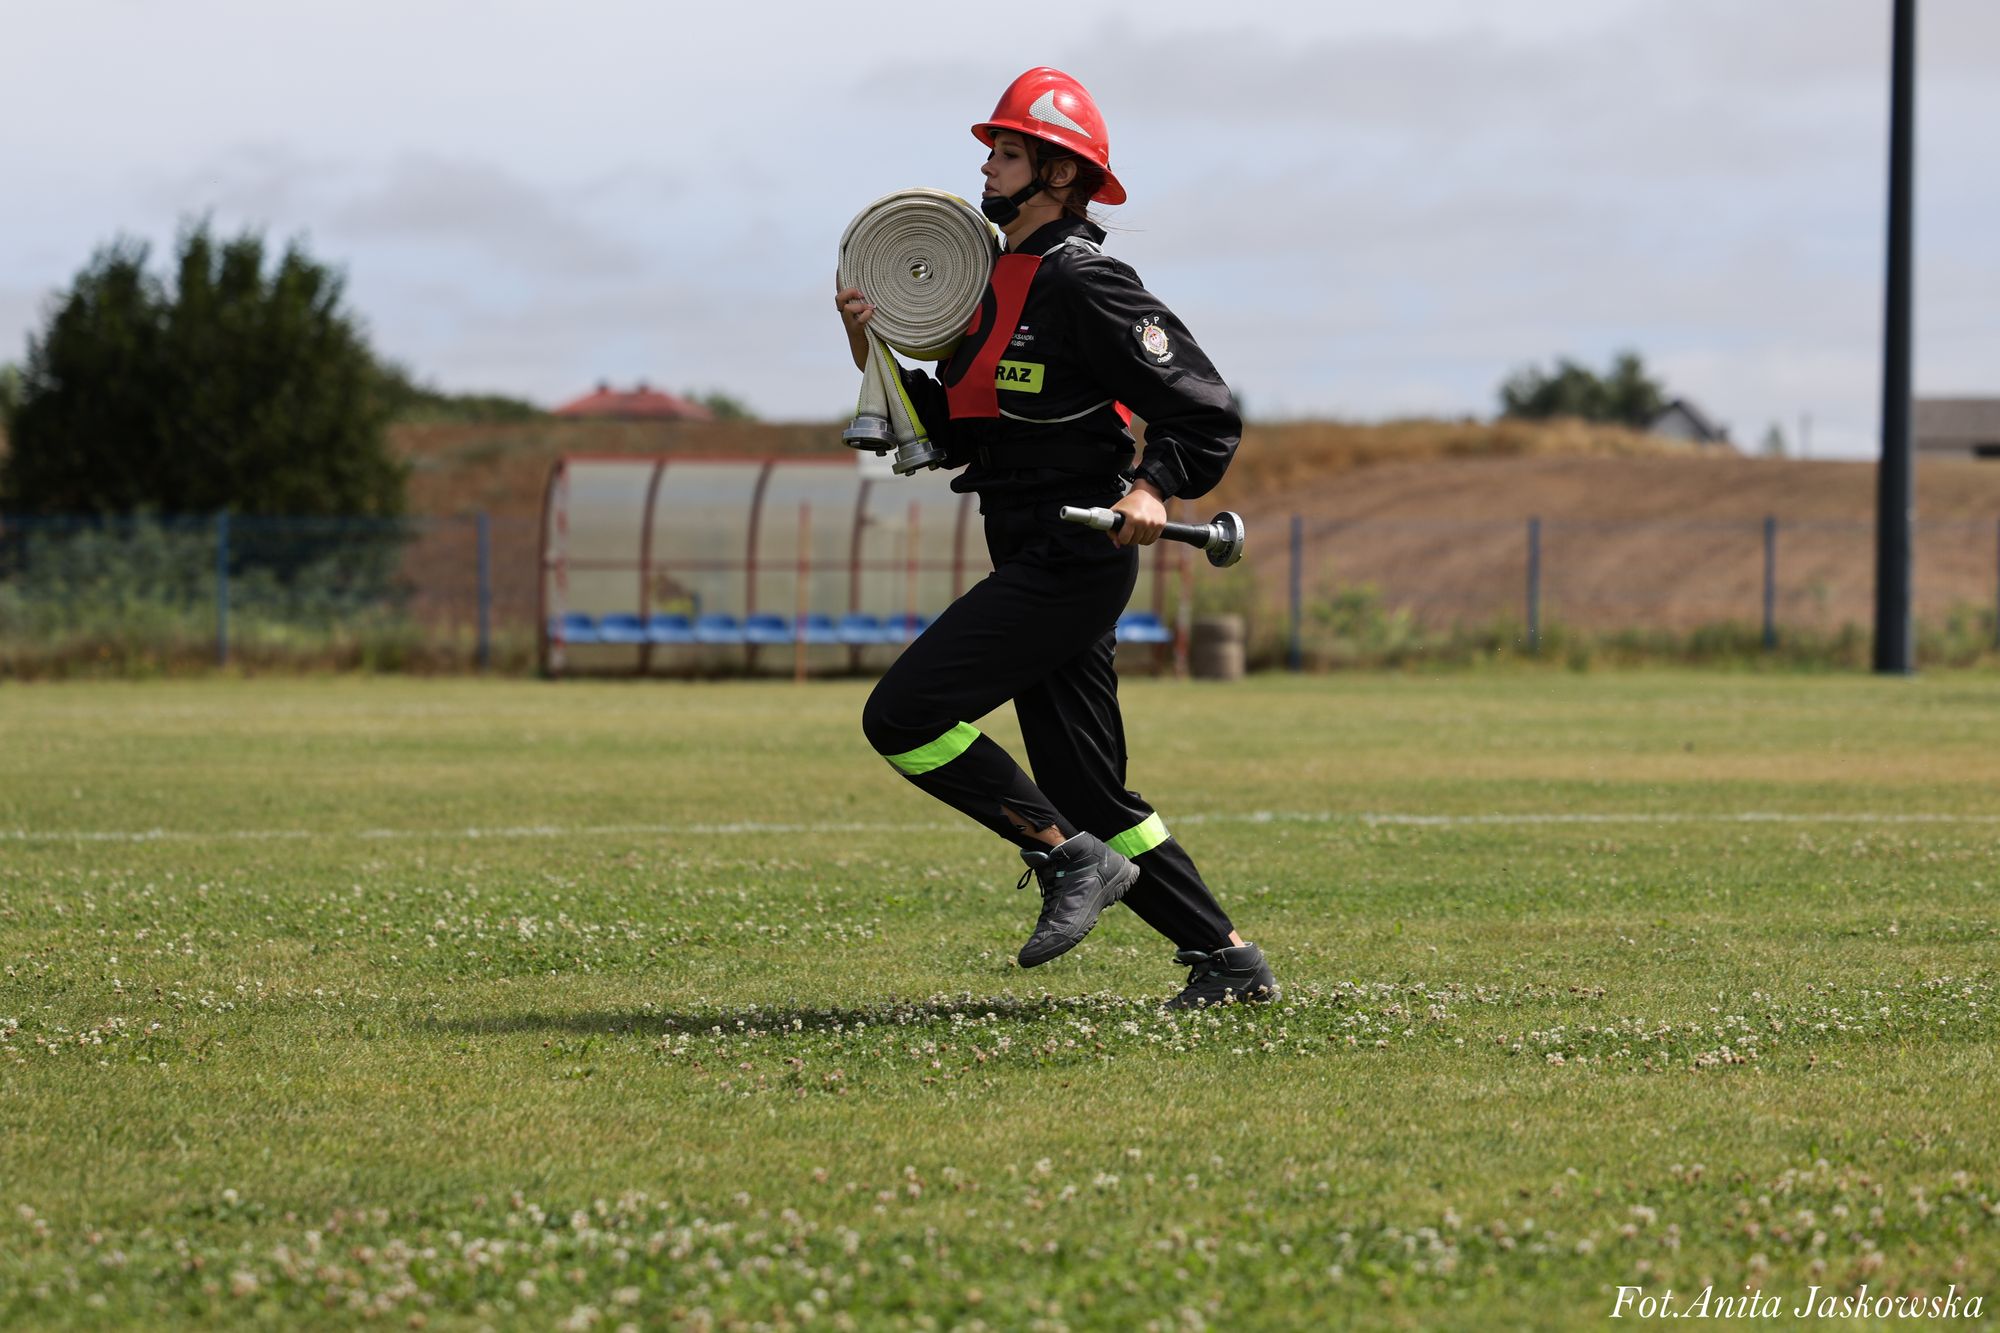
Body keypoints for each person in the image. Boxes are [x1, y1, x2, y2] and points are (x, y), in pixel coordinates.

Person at [833, 67, 1279, 1009]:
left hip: (1078, 550)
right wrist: (869, 345)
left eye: (1006, 152)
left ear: (1061, 177)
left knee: (903, 715)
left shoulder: (1089, 282)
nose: (986, 169)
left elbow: (1204, 410)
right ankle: (1226, 958)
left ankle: (1061, 856)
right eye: (992, 151)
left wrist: (1157, 486)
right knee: (1089, 786)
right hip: (1024, 539)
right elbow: (949, 432)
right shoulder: (989, 287)